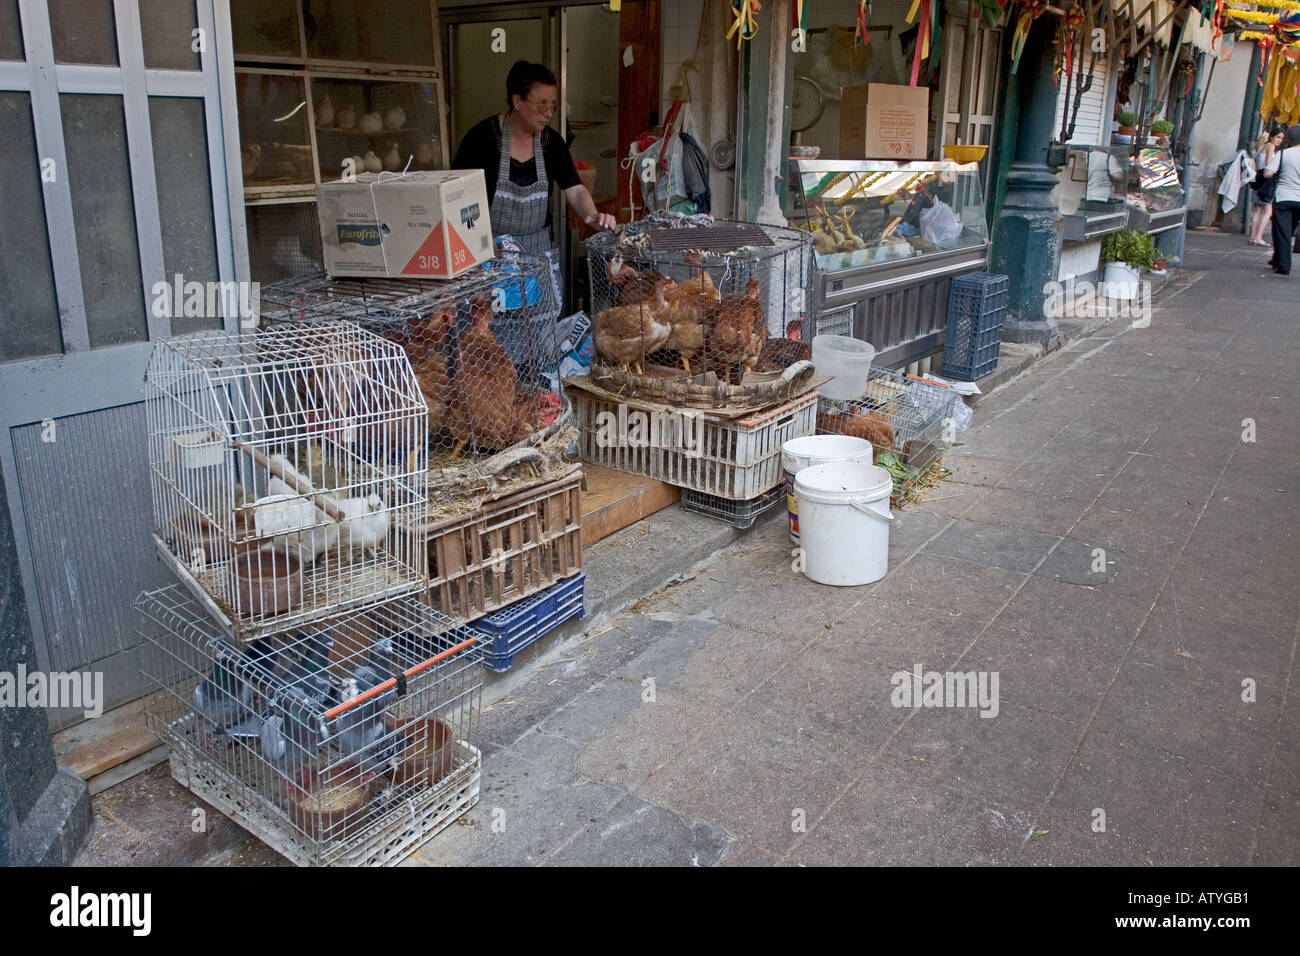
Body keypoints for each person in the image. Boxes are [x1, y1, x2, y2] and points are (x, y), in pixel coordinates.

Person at [452, 60, 616, 264]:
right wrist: (477, 237)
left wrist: (591, 215)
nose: (548, 113)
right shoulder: (482, 139)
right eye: (541, 105)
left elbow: (574, 188)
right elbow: (457, 196)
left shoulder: (552, 142)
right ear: (517, 101)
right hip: (490, 253)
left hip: (537, 253)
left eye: (552, 106)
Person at [1263, 124, 1300, 276]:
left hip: (1284, 197)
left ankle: (1283, 264)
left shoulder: (1283, 154)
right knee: (1289, 230)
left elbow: (1268, 173)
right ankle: (1277, 258)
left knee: (1282, 231)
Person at [1248, 128, 1284, 247]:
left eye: (1281, 138)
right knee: (1268, 211)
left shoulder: (1261, 147)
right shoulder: (1271, 147)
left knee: (1258, 210)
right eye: (1278, 137)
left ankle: (1253, 237)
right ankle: (1258, 237)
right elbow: (1269, 165)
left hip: (1258, 180)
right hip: (1266, 181)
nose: (1279, 140)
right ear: (1272, 137)